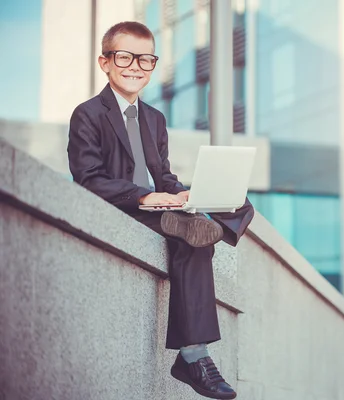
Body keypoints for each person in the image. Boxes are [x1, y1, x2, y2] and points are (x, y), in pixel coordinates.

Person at [67, 21, 253, 400]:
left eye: (146, 59)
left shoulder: (155, 118)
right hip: (124, 206)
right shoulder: (87, 114)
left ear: (153, 65)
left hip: (160, 208)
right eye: (125, 57)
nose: (136, 66)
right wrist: (144, 197)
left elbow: (162, 175)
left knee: (236, 200)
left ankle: (203, 221)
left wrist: (180, 194)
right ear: (105, 62)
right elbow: (88, 178)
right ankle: (194, 357)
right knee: (189, 238)